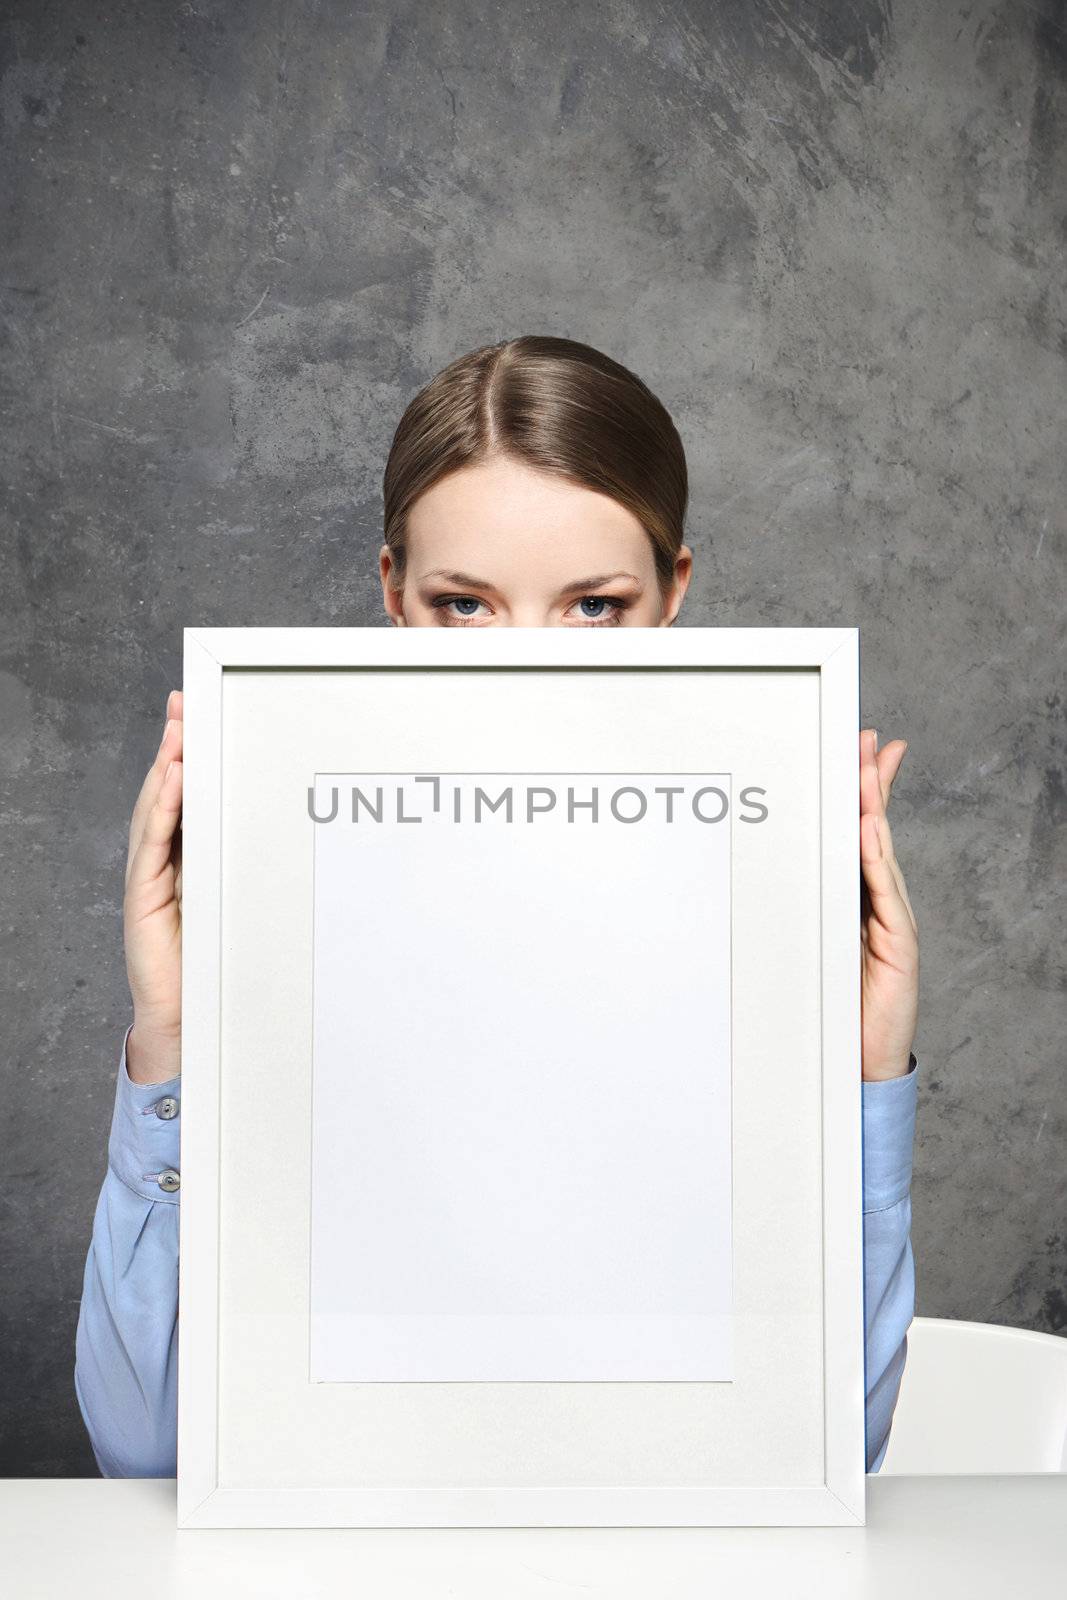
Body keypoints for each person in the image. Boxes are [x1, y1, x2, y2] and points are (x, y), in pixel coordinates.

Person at [75, 335, 919, 1477]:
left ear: (672, 593)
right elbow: (146, 1451)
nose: (531, 671)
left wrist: (864, 1074)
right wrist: (171, 1036)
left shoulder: (745, 928)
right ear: (392, 596)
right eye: (465, 605)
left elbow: (827, 1449)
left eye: (591, 608)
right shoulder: (296, 917)